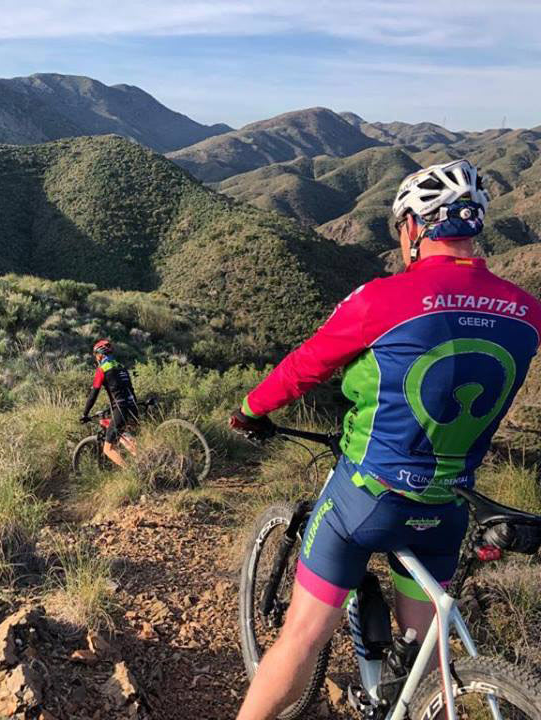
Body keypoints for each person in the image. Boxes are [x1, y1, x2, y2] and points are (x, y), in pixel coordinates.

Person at [229, 159, 541, 720]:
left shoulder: (382, 299)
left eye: (401, 227)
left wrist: (250, 409)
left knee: (300, 637)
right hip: (448, 506)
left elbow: (304, 367)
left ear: (417, 228)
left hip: (367, 498)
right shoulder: (527, 313)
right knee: (426, 657)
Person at [81, 339, 139, 467]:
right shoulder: (121, 367)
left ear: (100, 355)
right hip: (133, 407)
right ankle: (143, 461)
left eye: (96, 355)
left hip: (121, 409)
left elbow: (93, 395)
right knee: (126, 437)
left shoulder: (102, 369)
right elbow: (126, 390)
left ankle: (131, 473)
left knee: (108, 449)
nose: (96, 358)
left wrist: (85, 413)